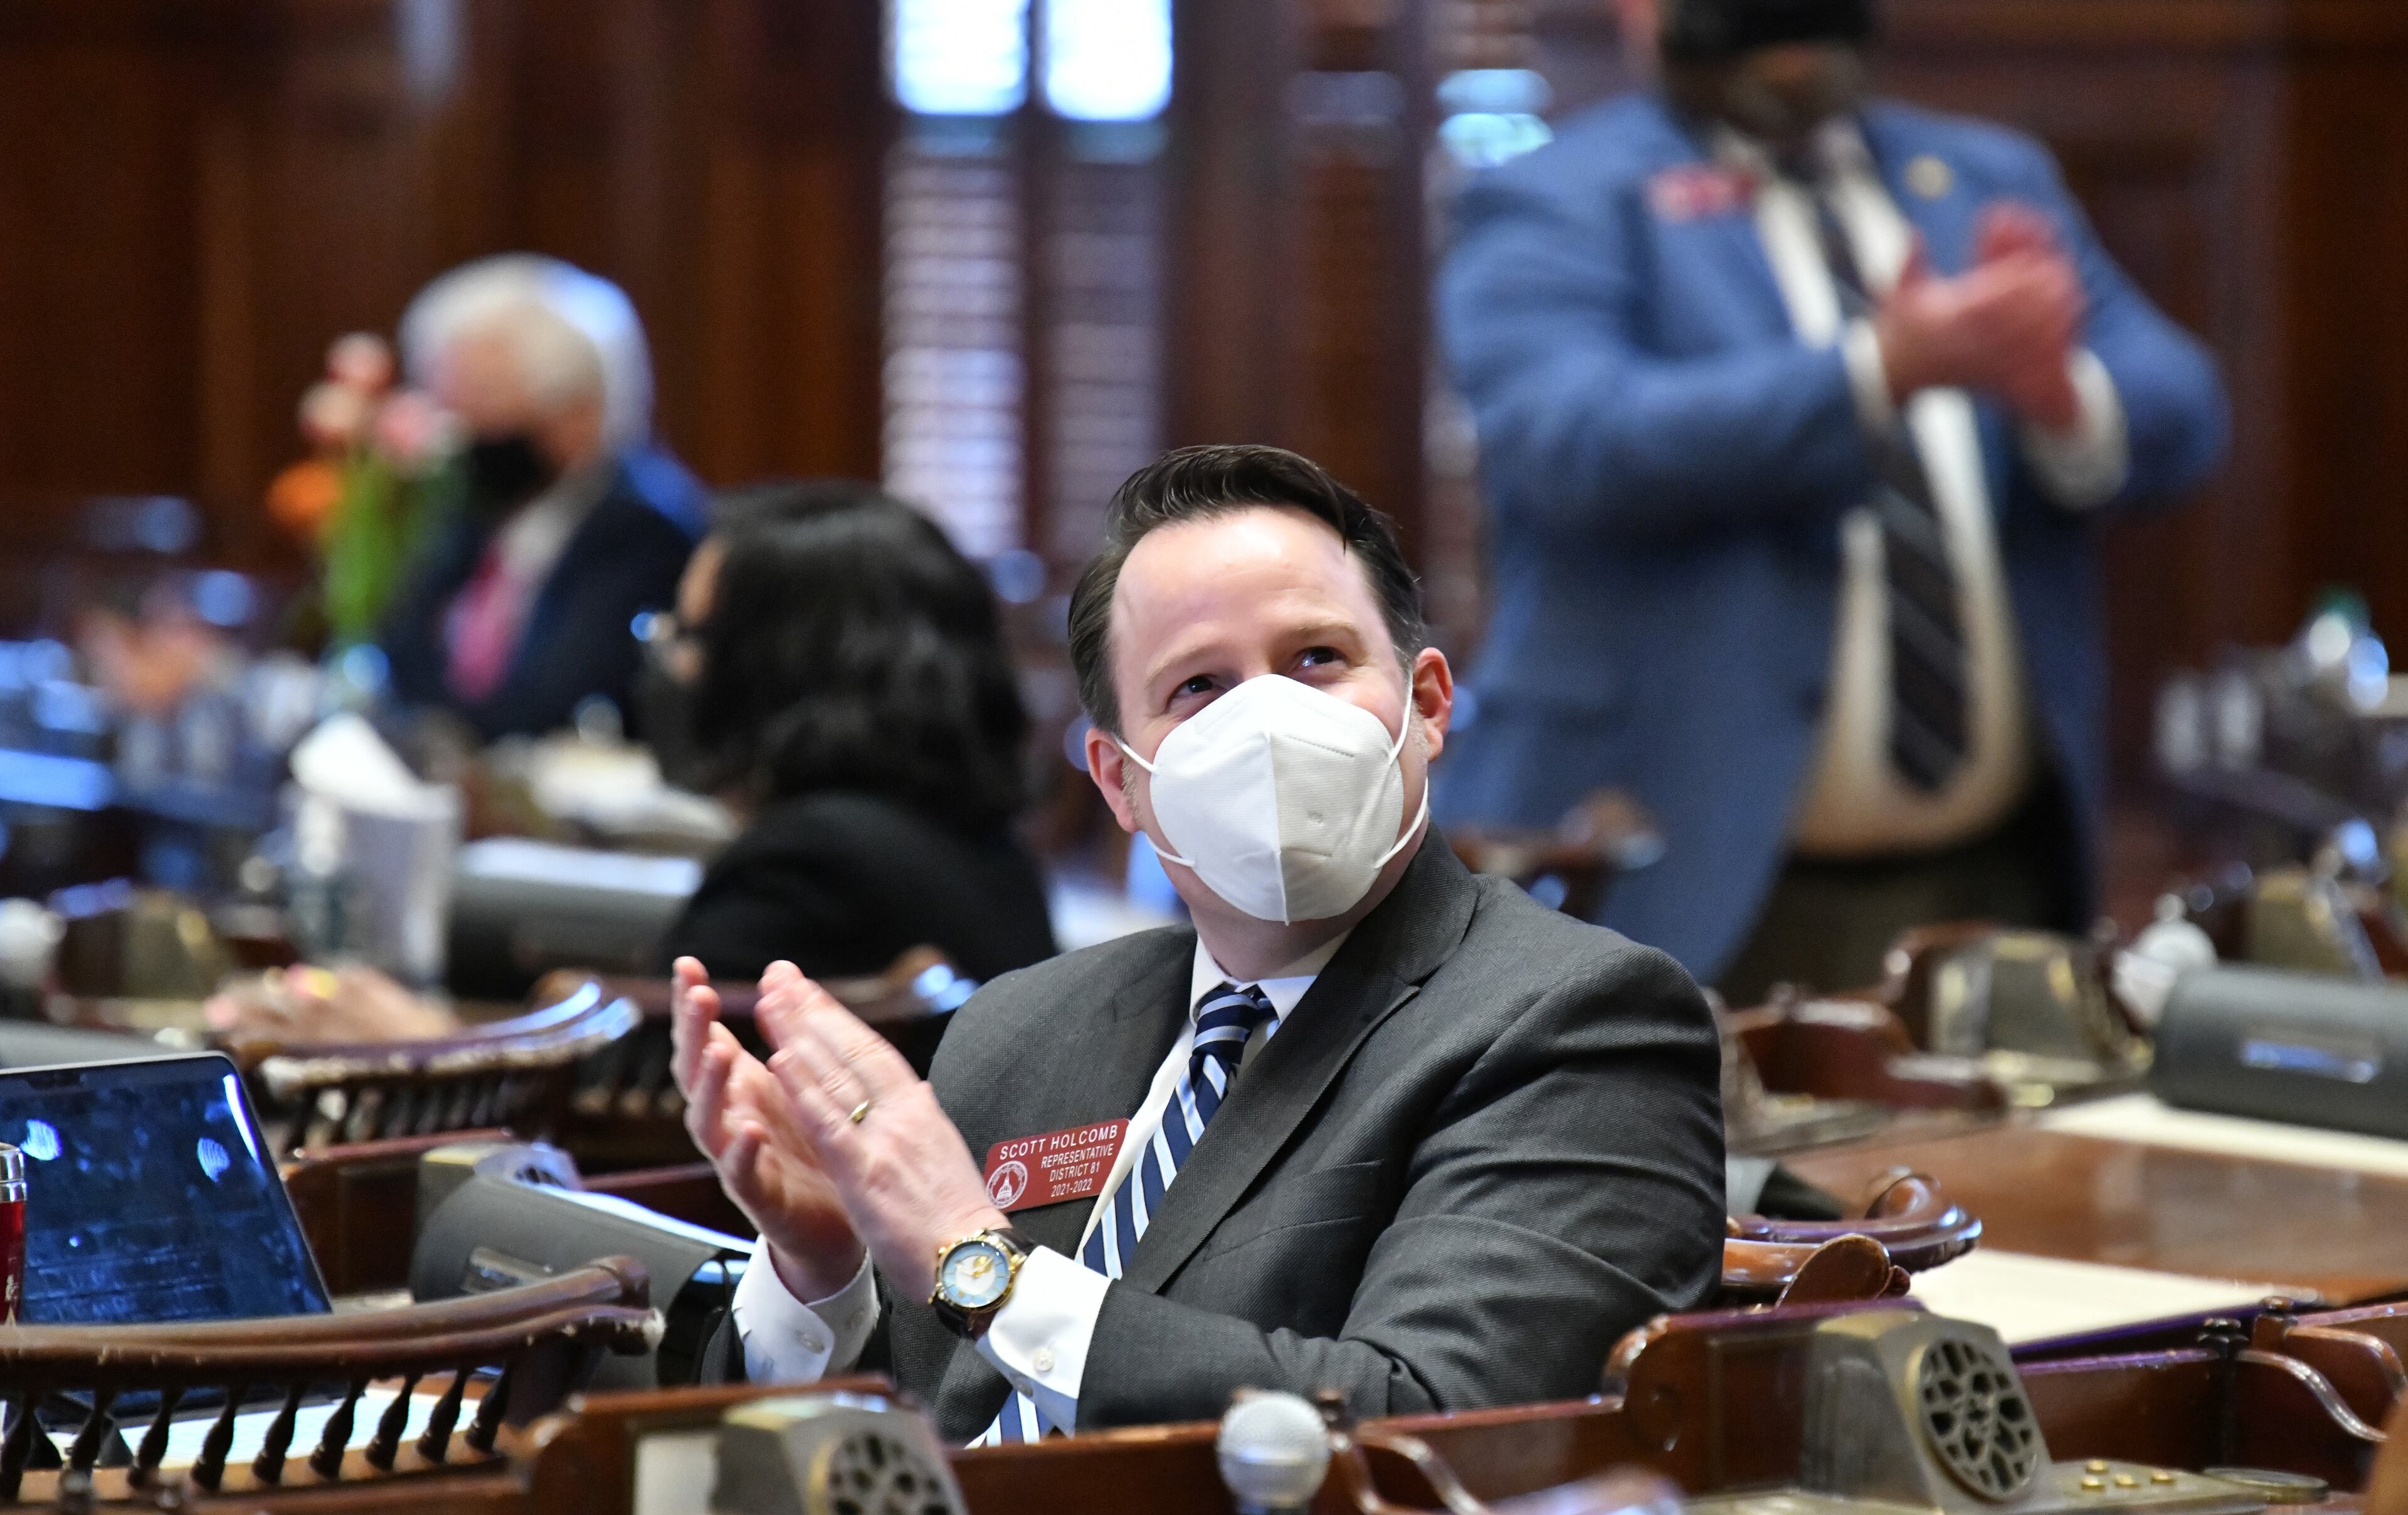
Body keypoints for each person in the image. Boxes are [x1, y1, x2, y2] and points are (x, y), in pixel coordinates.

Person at [669, 445, 1725, 1443]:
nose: (1266, 718)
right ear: (1120, 778)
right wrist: (825, 1266)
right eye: (1199, 687)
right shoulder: (1020, 1025)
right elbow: (859, 1444)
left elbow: (1438, 1417)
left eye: (1316, 658)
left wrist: (977, 1261)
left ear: (1428, 702)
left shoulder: (1577, 1018)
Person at [1432, 0, 2231, 1002]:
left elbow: (2185, 403)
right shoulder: (1558, 197)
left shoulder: (1983, 179)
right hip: (1675, 875)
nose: (1783, 23)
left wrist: (2061, 396)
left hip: (1993, 876)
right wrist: (1878, 371)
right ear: (1640, 5)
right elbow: (1570, 440)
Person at [646, 482, 1058, 988]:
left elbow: (660, 1058)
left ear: (777, 665)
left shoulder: (798, 867)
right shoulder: (998, 857)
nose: (673, 665)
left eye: (691, 636)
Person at [379, 255, 709, 741]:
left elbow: (547, 705)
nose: (456, 432)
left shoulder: (642, 528)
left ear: (579, 410)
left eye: (482, 401)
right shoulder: (479, 516)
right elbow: (399, 654)